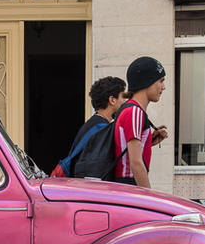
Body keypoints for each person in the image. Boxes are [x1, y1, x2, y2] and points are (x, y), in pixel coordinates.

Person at [113, 56, 169, 188]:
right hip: (129, 185)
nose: (163, 87)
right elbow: (136, 163)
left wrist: (148, 141)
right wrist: (149, 198)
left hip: (123, 185)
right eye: (160, 81)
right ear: (147, 82)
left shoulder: (129, 109)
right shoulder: (134, 112)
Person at [69, 76, 128, 151]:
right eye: (123, 97)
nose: (125, 101)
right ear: (112, 100)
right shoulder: (102, 130)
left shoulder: (93, 125)